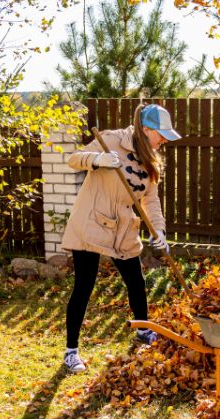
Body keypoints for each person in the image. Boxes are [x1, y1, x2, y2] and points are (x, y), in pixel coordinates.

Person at [60, 104, 181, 373]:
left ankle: (142, 331)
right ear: (146, 129)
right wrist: (98, 160)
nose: (163, 140)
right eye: (161, 134)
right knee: (84, 286)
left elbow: (150, 198)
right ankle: (71, 352)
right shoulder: (111, 140)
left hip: (123, 228)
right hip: (91, 222)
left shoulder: (151, 158)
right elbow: (74, 158)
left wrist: (158, 230)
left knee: (136, 282)